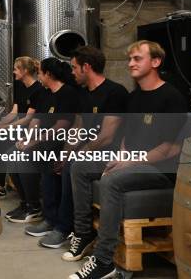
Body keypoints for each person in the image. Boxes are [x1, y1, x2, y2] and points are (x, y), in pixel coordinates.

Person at [67, 41, 187, 279]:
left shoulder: (172, 97)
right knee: (80, 166)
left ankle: (103, 261)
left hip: (159, 169)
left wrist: (129, 162)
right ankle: (83, 233)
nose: (131, 63)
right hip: (132, 161)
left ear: (155, 62)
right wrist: (121, 157)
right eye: (129, 59)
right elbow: (125, 138)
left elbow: (169, 149)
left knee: (112, 181)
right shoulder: (133, 98)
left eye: (137, 59)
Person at [38, 46, 128, 249]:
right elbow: (78, 127)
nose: (71, 72)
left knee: (73, 166)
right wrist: (65, 153)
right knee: (56, 160)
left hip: (110, 153)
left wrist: (76, 154)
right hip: (88, 149)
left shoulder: (115, 92)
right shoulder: (84, 94)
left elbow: (107, 136)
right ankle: (51, 219)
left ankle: (72, 229)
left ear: (86, 67)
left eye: (74, 67)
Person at [13, 58, 81, 237]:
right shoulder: (45, 94)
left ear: (49, 74)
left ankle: (50, 218)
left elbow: (61, 127)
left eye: (41, 73)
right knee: (13, 153)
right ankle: (30, 205)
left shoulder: (68, 93)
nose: (39, 76)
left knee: (44, 155)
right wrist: (27, 139)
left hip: (61, 142)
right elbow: (37, 120)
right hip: (44, 141)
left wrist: (33, 143)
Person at [0, 57, 43, 196]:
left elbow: (28, 119)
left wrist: (6, 128)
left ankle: (8, 187)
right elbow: (14, 112)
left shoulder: (38, 90)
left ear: (25, 71)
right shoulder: (20, 86)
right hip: (18, 127)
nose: (13, 72)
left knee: (3, 141)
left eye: (16, 68)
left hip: (29, 130)